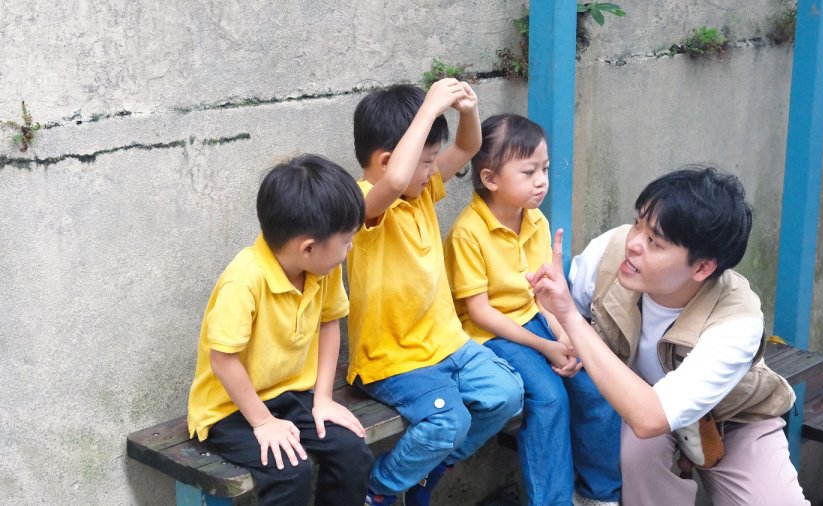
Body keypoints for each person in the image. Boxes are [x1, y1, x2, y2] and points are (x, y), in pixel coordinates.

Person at [529, 166, 809, 505]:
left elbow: (651, 416)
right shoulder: (611, 252)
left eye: (654, 242)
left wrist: (570, 319)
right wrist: (561, 323)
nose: (633, 243)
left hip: (730, 420)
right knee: (635, 454)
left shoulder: (737, 322)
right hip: (634, 405)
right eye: (638, 223)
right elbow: (552, 309)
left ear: (702, 267)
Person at [347, 80, 524, 506]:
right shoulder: (362, 202)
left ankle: (430, 468)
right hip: (392, 359)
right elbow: (394, 181)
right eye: (427, 161)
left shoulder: (421, 191)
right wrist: (426, 110)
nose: (434, 170)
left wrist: (468, 110)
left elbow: (466, 148)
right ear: (389, 160)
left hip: (445, 342)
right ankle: (381, 490)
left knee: (507, 394)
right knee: (448, 422)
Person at [443, 113, 621, 506]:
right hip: (489, 336)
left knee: (597, 381)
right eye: (528, 172)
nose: (542, 180)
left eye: (544, 169)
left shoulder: (535, 220)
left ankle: (598, 496)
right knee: (549, 397)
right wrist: (546, 348)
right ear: (490, 179)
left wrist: (564, 336)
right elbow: (481, 314)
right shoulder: (467, 233)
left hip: (536, 321)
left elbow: (545, 295)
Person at [186, 155, 374, 506]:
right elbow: (223, 359)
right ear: (308, 247)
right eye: (347, 241)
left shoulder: (323, 268)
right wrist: (262, 423)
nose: (349, 250)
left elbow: (329, 323)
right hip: (230, 409)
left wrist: (323, 399)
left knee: (352, 453)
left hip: (288, 395)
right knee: (291, 470)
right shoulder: (244, 280)